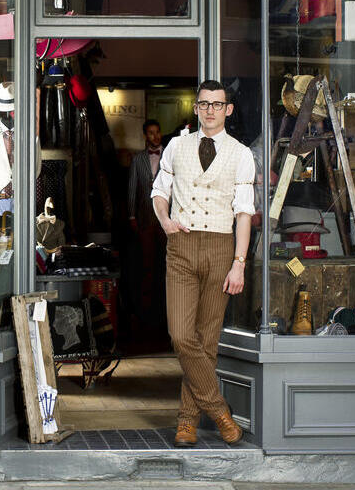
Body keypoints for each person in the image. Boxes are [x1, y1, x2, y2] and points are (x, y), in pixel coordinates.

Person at [151, 80, 254, 447]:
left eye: (217, 104)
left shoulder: (241, 154)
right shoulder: (176, 146)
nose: (210, 110)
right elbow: (159, 192)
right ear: (196, 108)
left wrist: (239, 263)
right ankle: (220, 412)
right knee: (181, 335)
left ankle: (187, 422)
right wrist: (165, 222)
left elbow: (244, 214)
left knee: (207, 341)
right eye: (204, 104)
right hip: (181, 246)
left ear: (228, 110)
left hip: (221, 248)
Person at [127, 119, 168, 339]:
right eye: (151, 133)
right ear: (145, 136)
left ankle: (166, 311)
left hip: (167, 219)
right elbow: (132, 188)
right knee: (147, 265)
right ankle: (146, 314)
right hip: (145, 218)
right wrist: (132, 215)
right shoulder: (138, 160)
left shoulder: (170, 156)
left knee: (167, 264)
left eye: (157, 132)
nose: (155, 136)